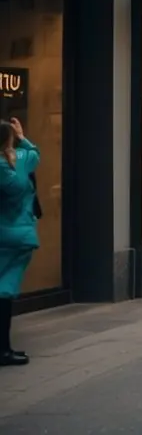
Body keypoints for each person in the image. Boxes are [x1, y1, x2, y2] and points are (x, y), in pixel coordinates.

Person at [0, 118, 39, 366]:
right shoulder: (21, 161)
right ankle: (3, 350)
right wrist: (22, 136)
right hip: (18, 237)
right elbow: (35, 153)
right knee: (5, 292)